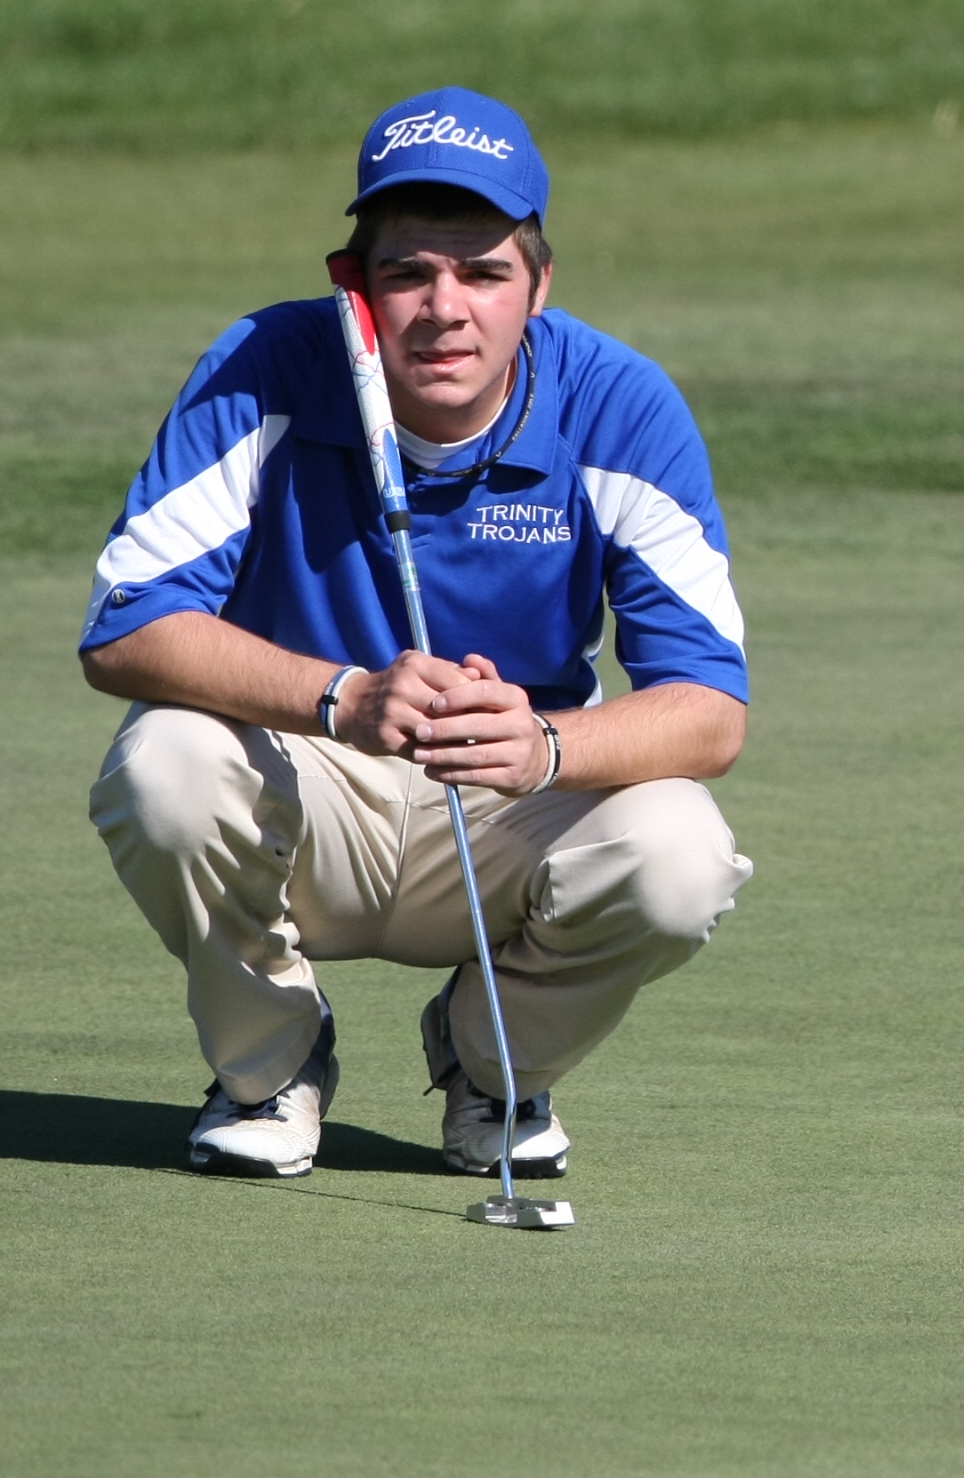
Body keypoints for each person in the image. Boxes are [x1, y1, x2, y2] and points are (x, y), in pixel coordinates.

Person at [81, 89, 754, 1178]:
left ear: (538, 284)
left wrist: (544, 746)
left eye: (483, 272)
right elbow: (123, 627)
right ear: (358, 285)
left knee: (682, 849)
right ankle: (273, 1065)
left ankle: (493, 1068)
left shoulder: (621, 405)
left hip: (510, 809)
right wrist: (344, 696)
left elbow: (710, 709)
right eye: (408, 273)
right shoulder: (267, 367)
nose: (446, 308)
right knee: (165, 763)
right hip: (311, 779)